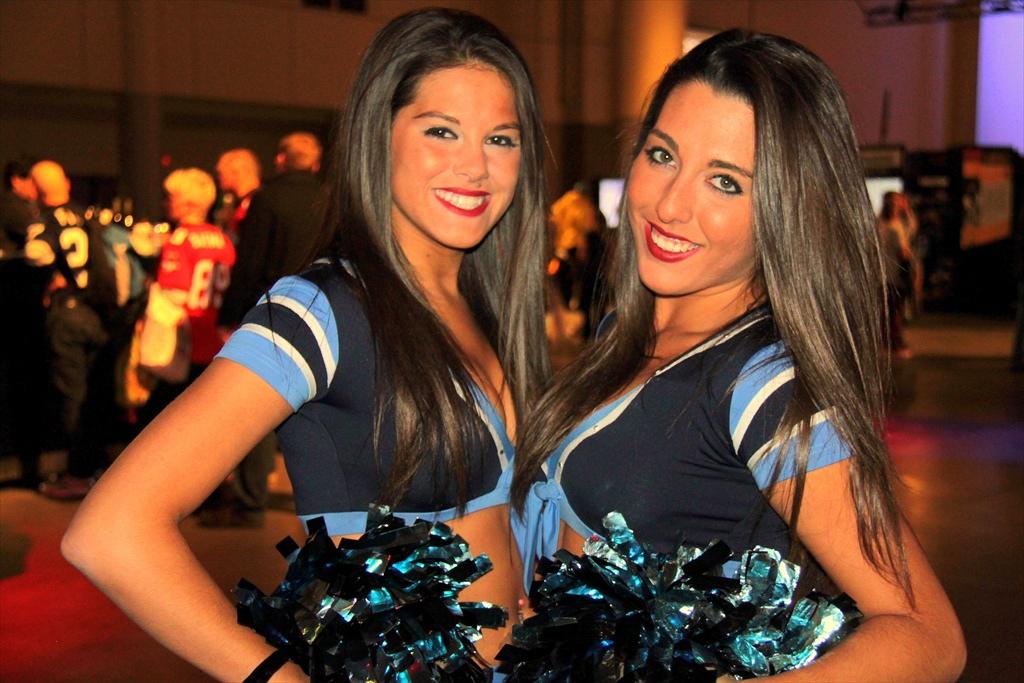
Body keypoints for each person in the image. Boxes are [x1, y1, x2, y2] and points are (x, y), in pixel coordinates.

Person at [62, 7, 549, 680]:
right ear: (377, 137)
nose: (475, 165)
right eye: (442, 130)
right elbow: (111, 532)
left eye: (502, 138)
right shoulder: (323, 309)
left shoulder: (487, 311)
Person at [512, 30, 965, 681]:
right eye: (663, 154)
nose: (670, 204)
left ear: (785, 209)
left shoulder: (761, 383)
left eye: (725, 181)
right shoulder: (625, 330)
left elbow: (929, 635)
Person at [26, 160, 120, 499]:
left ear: (35, 190)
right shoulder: (90, 217)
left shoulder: (43, 222)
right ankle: (98, 468)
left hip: (67, 316)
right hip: (98, 316)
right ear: (66, 182)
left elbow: (35, 254)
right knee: (96, 395)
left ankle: (80, 473)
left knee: (72, 397)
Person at [142, 168, 236, 414]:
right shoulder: (223, 239)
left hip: (184, 343)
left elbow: (172, 294)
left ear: (189, 204)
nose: (165, 204)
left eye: (170, 198)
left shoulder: (180, 239)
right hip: (216, 339)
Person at [879, 191, 915, 358]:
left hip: (882, 274)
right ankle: (895, 343)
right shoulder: (894, 226)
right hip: (893, 273)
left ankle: (889, 343)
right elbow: (903, 249)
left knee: (889, 310)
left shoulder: (880, 223)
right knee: (894, 311)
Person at [214, 148, 261, 245]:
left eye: (221, 173)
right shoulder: (238, 204)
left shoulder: (253, 204)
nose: (218, 178)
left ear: (235, 173)